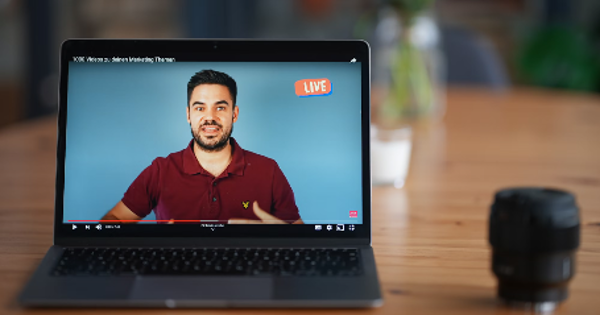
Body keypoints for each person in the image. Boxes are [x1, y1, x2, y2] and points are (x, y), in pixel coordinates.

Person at [102, 70, 302, 224]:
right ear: (188, 114)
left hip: (252, 272)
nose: (210, 117)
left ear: (235, 114)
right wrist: (149, 239)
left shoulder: (268, 171)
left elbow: (302, 238)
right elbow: (111, 221)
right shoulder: (160, 171)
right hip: (172, 273)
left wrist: (279, 235)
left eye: (220, 107)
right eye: (200, 108)